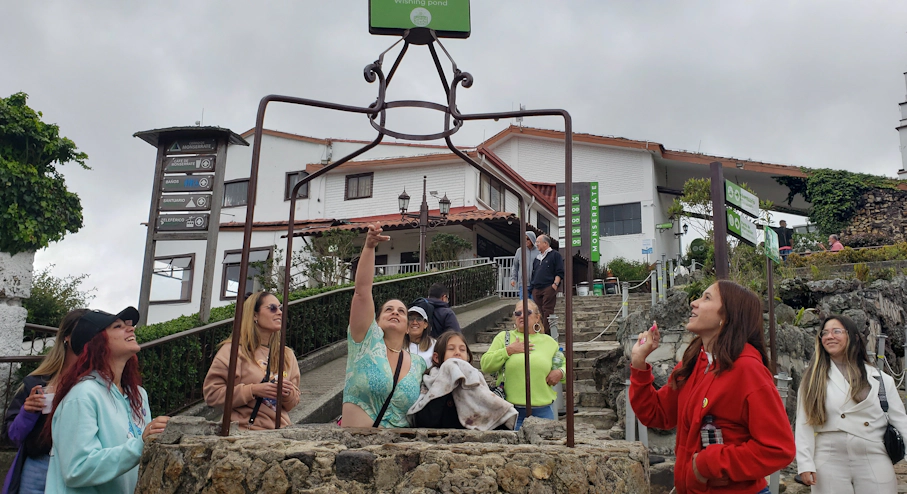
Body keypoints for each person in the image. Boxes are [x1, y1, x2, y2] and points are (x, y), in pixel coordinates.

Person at [630, 281, 795, 494]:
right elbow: (657, 414)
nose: (694, 303)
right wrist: (638, 363)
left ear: (726, 317)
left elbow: (778, 448)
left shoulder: (748, 369)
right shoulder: (693, 362)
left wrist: (707, 464)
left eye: (706, 298)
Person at [45, 307, 170, 493]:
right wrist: (140, 444)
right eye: (118, 326)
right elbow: (77, 468)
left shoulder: (139, 395)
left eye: (129, 325)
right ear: (96, 342)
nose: (131, 328)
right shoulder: (82, 395)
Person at [795, 314, 907, 493]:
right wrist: (805, 463)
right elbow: (804, 423)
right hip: (829, 457)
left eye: (836, 331)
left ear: (854, 337)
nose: (829, 336)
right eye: (825, 333)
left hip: (874, 455)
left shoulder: (881, 379)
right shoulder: (812, 379)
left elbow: (901, 422)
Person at [342, 223, 427, 428]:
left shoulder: (418, 364)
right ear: (376, 322)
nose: (395, 312)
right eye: (388, 309)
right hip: (355, 448)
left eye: (402, 311)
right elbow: (362, 291)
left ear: (408, 327)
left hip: (398, 452)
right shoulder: (364, 342)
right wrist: (369, 247)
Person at [3, 309, 83, 494]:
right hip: (39, 466)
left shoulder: (98, 382)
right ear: (67, 337)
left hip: (78, 467)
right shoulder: (37, 381)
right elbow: (11, 436)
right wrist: (27, 412)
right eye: (83, 331)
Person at [204, 291, 301, 430]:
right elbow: (212, 395)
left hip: (280, 434)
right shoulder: (234, 351)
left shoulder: (286, 355)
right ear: (254, 315)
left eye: (280, 308)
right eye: (272, 308)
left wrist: (288, 393)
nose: (279, 312)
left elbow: (292, 403)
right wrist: (253, 390)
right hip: (244, 433)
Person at [480, 299, 566, 430]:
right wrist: (509, 350)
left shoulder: (549, 342)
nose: (521, 316)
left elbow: (563, 366)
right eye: (518, 313)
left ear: (537, 317)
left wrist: (560, 372)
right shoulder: (504, 337)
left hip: (543, 411)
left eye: (527, 312)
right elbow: (486, 364)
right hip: (510, 411)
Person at [408, 331, 517, 430]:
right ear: (436, 358)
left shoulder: (477, 382)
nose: (457, 353)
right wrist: (445, 377)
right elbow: (425, 421)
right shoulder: (429, 381)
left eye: (462, 349)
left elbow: (494, 419)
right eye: (451, 349)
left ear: (468, 358)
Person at [530, 234, 565, 334]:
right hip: (537, 288)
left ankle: (546, 333)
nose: (536, 244)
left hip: (548, 287)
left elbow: (559, 271)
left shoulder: (555, 255)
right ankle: (539, 331)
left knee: (547, 310)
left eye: (538, 242)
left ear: (545, 243)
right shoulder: (537, 258)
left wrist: (555, 284)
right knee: (538, 311)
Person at [509, 231, 539, 300]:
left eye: (528, 239)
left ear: (532, 239)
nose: (526, 241)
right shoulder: (519, 251)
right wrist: (513, 278)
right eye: (524, 239)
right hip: (523, 283)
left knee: (534, 305)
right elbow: (515, 266)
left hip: (536, 283)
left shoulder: (538, 251)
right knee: (523, 304)